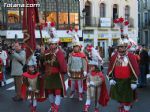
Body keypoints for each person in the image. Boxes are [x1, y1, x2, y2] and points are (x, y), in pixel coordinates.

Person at [107, 36, 140, 112]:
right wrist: (111, 79)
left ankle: (126, 109)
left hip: (127, 83)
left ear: (126, 47)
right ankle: (122, 108)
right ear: (117, 48)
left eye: (123, 47)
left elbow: (135, 70)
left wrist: (133, 82)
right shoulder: (114, 56)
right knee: (120, 99)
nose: (121, 49)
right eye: (120, 47)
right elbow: (110, 68)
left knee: (127, 100)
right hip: (117, 82)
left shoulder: (131, 57)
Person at [43, 21, 67, 112]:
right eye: (51, 44)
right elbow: (42, 62)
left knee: (57, 91)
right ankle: (52, 105)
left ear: (56, 44)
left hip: (57, 75)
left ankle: (56, 107)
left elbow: (62, 64)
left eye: (53, 44)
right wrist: (42, 56)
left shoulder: (59, 53)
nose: (52, 45)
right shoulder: (46, 52)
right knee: (49, 92)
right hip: (49, 75)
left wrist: (55, 63)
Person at [83, 47, 109, 112]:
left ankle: (96, 108)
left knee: (96, 99)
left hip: (97, 88)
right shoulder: (89, 73)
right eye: (90, 66)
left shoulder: (99, 73)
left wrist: (95, 83)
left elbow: (101, 80)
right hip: (90, 88)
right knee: (88, 97)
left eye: (92, 66)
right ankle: (86, 107)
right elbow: (87, 79)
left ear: (96, 67)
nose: (90, 67)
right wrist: (88, 83)